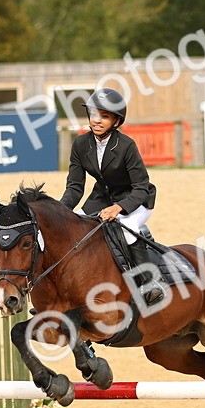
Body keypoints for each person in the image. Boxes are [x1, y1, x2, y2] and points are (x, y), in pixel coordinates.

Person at [60, 87, 163, 306]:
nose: (97, 120)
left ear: (116, 121)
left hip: (135, 200)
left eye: (104, 116)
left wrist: (119, 208)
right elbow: (75, 187)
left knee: (128, 230)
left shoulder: (126, 146)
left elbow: (141, 187)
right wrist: (60, 211)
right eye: (94, 114)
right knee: (72, 231)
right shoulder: (80, 144)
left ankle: (149, 284)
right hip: (100, 199)